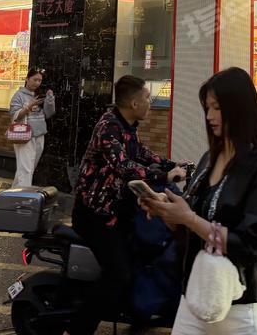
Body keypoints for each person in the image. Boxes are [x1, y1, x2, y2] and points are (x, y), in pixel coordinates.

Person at [140, 67, 257, 335]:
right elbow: (191, 226)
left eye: (217, 108)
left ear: (240, 109)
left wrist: (189, 218)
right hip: (196, 295)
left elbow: (249, 246)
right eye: (207, 108)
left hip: (242, 306)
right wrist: (168, 211)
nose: (209, 116)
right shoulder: (208, 160)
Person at [73, 74, 183, 326]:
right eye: (147, 98)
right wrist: (164, 175)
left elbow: (141, 153)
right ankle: (78, 328)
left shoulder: (126, 126)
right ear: (134, 103)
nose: (150, 103)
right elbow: (123, 165)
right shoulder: (108, 127)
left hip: (117, 210)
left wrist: (173, 164)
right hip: (95, 215)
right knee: (118, 274)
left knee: (142, 254)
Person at [9, 68, 55, 187]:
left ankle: (15, 191)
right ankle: (22, 195)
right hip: (24, 135)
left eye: (40, 80)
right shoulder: (19, 95)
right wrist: (29, 107)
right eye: (35, 80)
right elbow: (14, 115)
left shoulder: (39, 95)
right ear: (27, 79)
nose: (37, 83)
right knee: (26, 169)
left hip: (39, 134)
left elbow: (48, 114)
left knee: (29, 168)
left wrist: (50, 99)